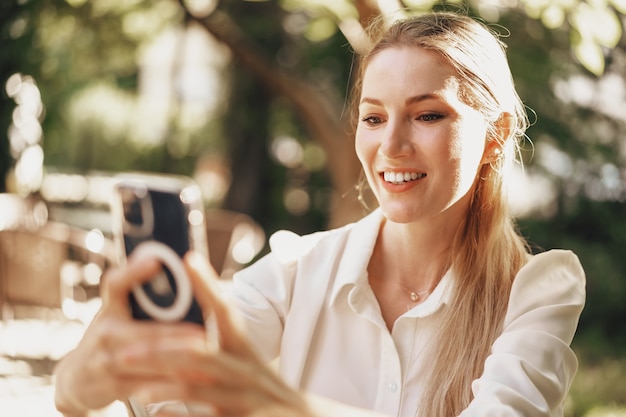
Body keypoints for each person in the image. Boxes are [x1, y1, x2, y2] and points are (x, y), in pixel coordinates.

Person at [54, 11, 586, 417]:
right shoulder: (296, 270)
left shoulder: (535, 293)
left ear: (494, 136)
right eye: (374, 117)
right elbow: (172, 391)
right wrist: (81, 384)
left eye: (427, 115)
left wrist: (279, 405)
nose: (392, 145)